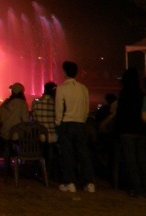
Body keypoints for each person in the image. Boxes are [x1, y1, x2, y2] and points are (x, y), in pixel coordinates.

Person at [55, 60, 95, 194]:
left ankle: (70, 182)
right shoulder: (83, 88)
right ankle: (89, 183)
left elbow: (59, 109)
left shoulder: (61, 88)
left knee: (67, 154)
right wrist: (82, 120)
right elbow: (86, 108)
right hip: (80, 123)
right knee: (83, 154)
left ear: (64, 72)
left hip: (67, 123)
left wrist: (58, 123)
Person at [113, 68, 146, 197]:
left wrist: (117, 131)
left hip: (127, 131)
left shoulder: (124, 93)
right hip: (140, 130)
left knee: (131, 161)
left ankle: (137, 189)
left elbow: (120, 114)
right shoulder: (141, 94)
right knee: (142, 161)